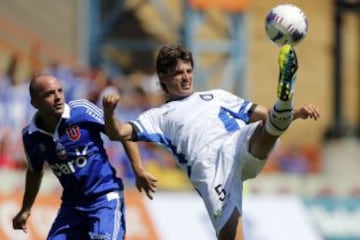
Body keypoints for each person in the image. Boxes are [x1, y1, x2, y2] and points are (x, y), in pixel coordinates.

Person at [102, 44, 320, 240]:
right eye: (178, 73)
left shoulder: (217, 96)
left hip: (236, 143)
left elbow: (263, 113)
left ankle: (285, 101)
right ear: (163, 78)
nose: (186, 77)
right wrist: (111, 114)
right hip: (212, 172)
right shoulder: (159, 116)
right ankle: (282, 108)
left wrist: (295, 113)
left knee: (266, 127)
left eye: (189, 71)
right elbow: (120, 132)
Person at [12, 74, 157, 239]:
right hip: (72, 206)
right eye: (49, 94)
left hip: (104, 198)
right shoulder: (31, 136)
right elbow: (34, 172)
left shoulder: (81, 111)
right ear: (35, 103)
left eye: (60, 91)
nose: (58, 97)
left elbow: (121, 132)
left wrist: (139, 170)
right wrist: (26, 209)